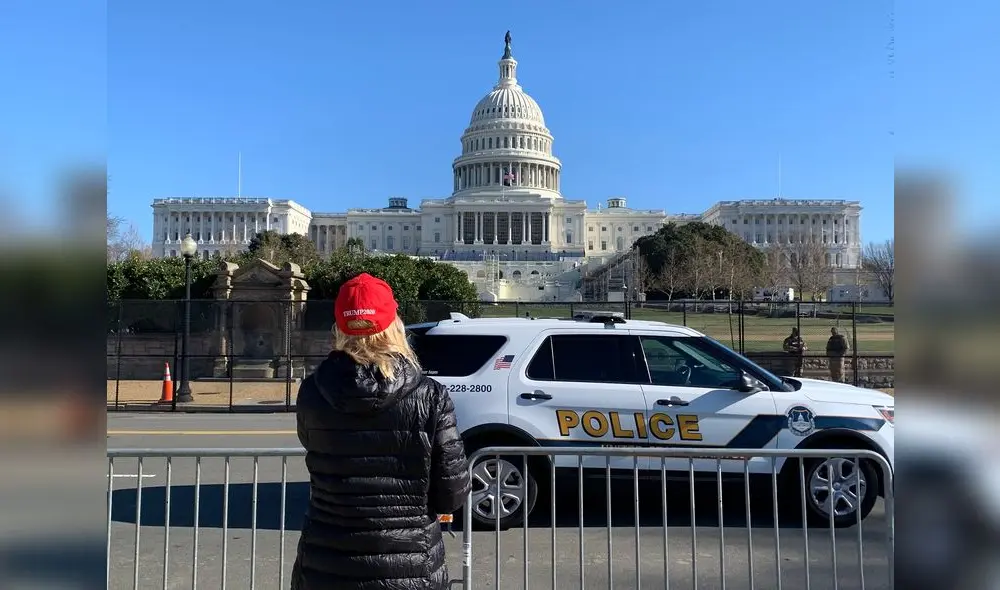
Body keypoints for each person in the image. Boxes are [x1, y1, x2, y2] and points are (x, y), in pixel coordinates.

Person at [291, 273, 471, 590]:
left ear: (339, 328)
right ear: (394, 325)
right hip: (410, 566)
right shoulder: (431, 396)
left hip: (326, 565)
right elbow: (452, 494)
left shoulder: (311, 392)